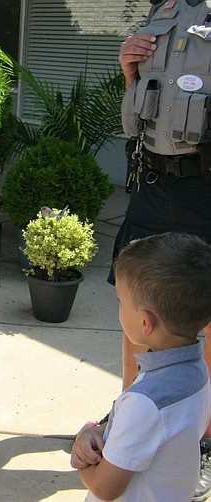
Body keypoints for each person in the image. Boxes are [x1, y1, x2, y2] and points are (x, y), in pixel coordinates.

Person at [113, 1, 211, 498]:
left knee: (206, 316)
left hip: (205, 185)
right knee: (135, 299)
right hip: (152, 179)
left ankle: (203, 440)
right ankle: (128, 413)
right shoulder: (162, 10)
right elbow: (147, 104)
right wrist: (130, 70)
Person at [72, 232, 211, 501]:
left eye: (120, 300)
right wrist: (101, 431)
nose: (120, 307)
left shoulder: (145, 401)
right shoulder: (198, 372)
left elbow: (104, 488)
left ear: (146, 323)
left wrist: (83, 454)